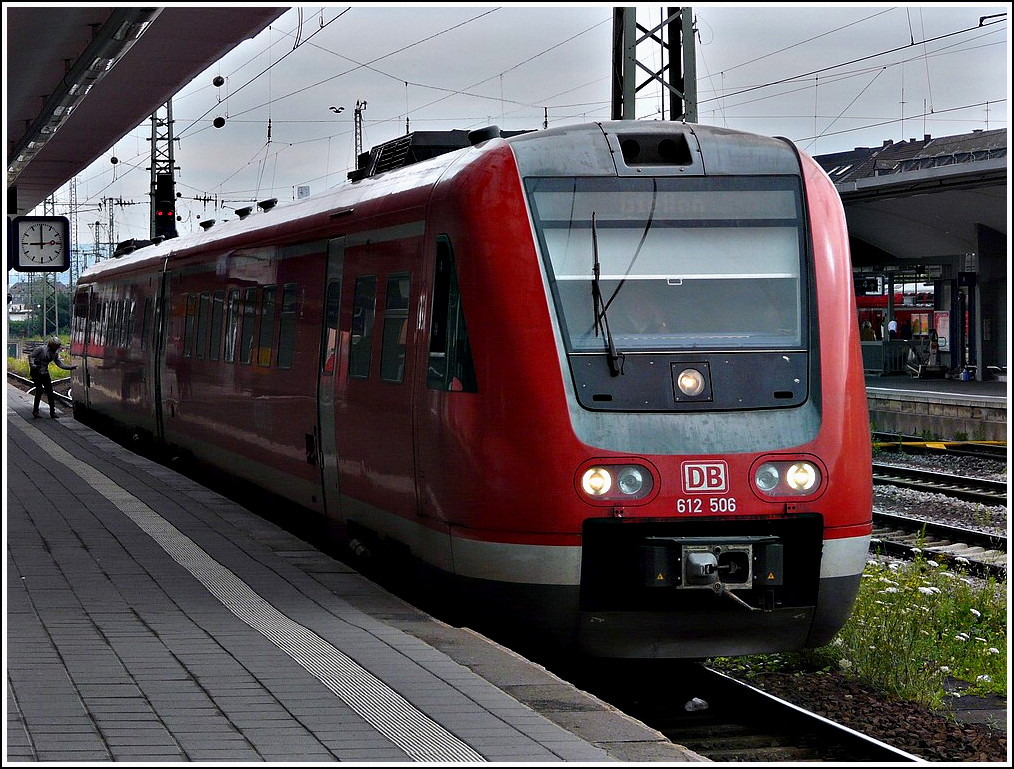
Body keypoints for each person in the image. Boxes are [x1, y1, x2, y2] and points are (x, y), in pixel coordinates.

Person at [29, 337, 77, 419]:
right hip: (36, 372)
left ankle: (52, 412)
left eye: (56, 346)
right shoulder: (41, 349)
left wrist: (70, 368)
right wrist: (32, 365)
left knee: (50, 392)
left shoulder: (54, 354)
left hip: (45, 373)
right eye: (54, 346)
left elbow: (59, 363)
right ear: (50, 345)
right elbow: (31, 356)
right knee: (39, 391)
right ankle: (35, 411)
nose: (55, 348)